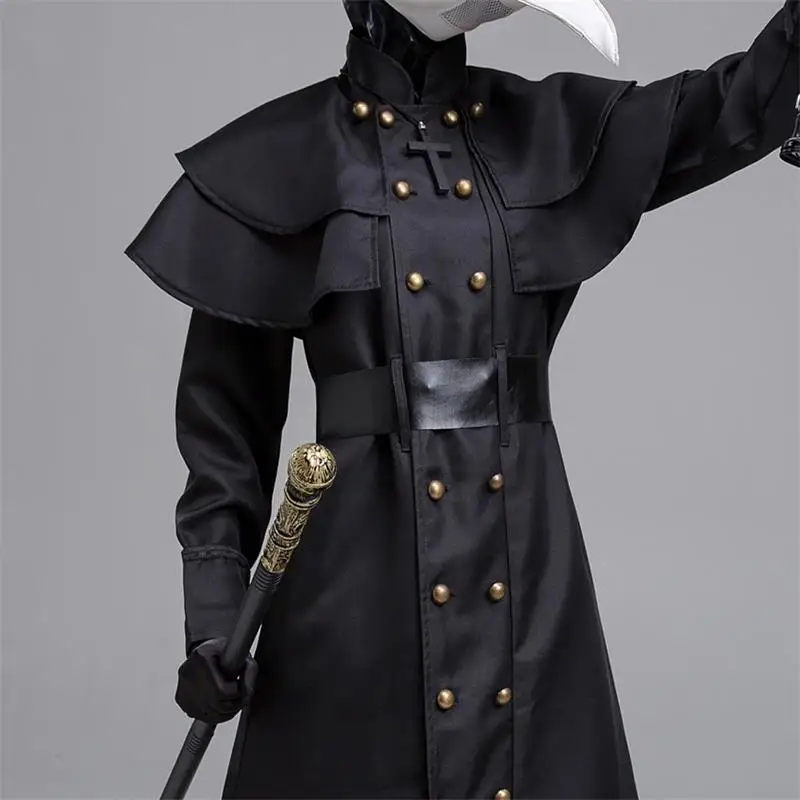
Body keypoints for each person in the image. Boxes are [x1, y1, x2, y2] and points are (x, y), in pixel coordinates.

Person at [125, 1, 799, 797]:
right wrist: (213, 624)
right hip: (356, 593)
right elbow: (224, 444)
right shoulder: (276, 157)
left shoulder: (543, 129)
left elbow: (736, 107)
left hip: (529, 564)